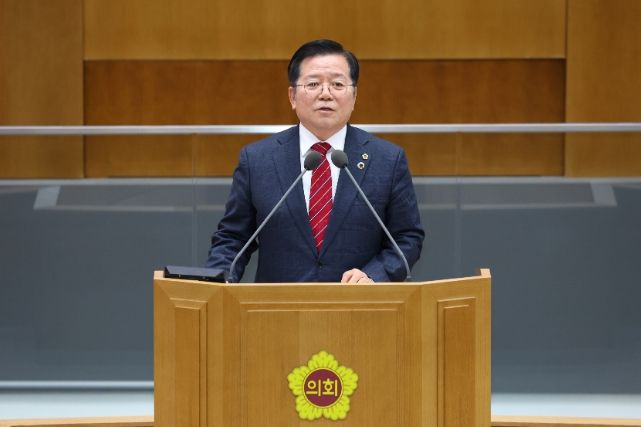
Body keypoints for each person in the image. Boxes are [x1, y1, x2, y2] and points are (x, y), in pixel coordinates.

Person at [207, 39, 424, 283]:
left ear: (354, 96)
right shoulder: (257, 160)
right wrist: (219, 283)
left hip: (357, 303)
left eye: (337, 84)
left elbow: (407, 238)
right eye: (313, 84)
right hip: (277, 304)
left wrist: (374, 275)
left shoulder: (387, 160)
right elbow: (233, 238)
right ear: (292, 96)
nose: (326, 94)